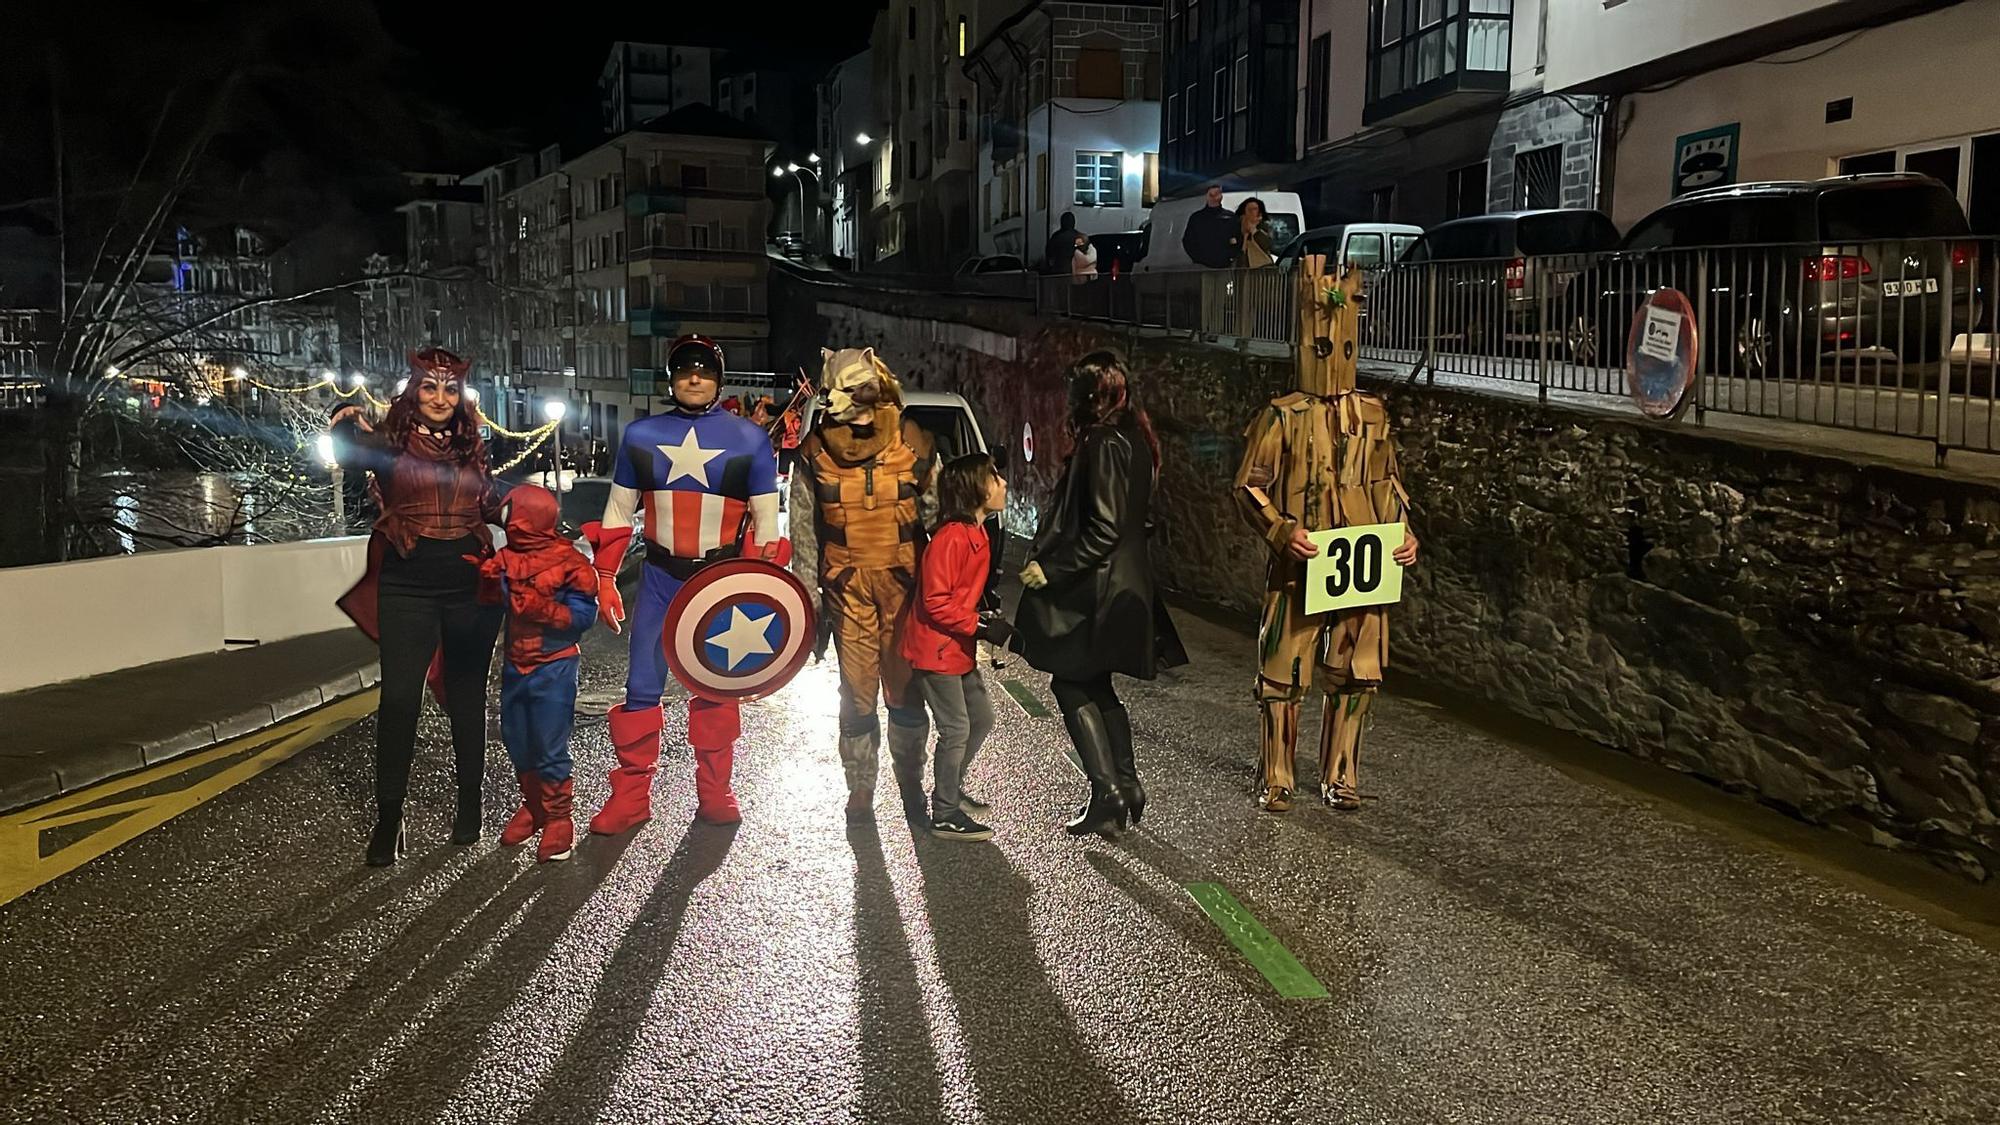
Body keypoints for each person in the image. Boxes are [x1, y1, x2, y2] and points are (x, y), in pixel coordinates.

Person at [1233, 258, 1420, 814]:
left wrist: (1406, 534)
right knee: (1283, 673)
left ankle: (1341, 774)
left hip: (1363, 565)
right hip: (1302, 562)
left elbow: (1390, 483)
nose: (1335, 362)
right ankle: (1278, 775)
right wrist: (1281, 529)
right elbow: (1249, 487)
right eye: (1322, 349)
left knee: (1358, 674)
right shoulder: (1280, 417)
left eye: (1342, 349)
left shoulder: (1373, 414)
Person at [582, 334, 789, 831]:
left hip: (719, 582)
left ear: (718, 376)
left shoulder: (749, 439)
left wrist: (766, 596)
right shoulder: (641, 435)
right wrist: (605, 577)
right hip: (658, 577)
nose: (694, 377)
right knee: (641, 687)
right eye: (684, 368)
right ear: (671, 376)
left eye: (704, 368)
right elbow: (616, 513)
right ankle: (632, 795)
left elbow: (767, 527)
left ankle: (715, 790)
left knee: (717, 687)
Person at [333, 347, 505, 866]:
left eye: (449, 389)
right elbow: (346, 453)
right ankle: (390, 818)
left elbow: (490, 503)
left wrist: (542, 524)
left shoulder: (471, 443)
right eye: (429, 388)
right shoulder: (388, 440)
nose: (439, 398)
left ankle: (470, 804)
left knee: (468, 698)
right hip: (406, 583)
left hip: (468, 582)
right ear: (413, 390)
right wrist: (341, 421)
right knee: (400, 701)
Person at [1017, 351, 1187, 837]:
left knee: (1069, 683)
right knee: (1095, 683)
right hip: (1124, 582)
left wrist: (1051, 570)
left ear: (1090, 397)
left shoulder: (1103, 442)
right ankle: (1125, 785)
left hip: (1099, 589)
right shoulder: (1136, 439)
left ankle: (1107, 790)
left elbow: (1104, 527)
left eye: (1074, 390)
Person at [794, 347, 935, 821]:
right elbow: (805, 528)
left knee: (905, 690)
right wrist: (808, 598)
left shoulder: (912, 443)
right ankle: (861, 793)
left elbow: (939, 522)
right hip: (846, 589)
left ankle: (911, 785)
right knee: (857, 696)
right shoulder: (814, 453)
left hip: (905, 589)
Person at [482, 485, 598, 862]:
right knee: (517, 738)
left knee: (549, 744)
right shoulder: (508, 557)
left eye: (512, 513)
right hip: (517, 662)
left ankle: (559, 820)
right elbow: (494, 601)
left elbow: (583, 618)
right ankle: (535, 807)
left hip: (554, 665)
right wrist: (487, 582)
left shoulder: (571, 564)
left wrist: (541, 610)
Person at [901, 453, 1014, 842]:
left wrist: (982, 622)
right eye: (994, 477)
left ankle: (949, 790)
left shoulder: (978, 534)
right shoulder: (951, 538)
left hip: (956, 648)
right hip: (936, 649)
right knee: (957, 728)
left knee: (980, 719)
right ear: (975, 489)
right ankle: (945, 813)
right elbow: (935, 602)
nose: (1002, 484)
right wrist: (981, 626)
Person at [1181, 185, 1240, 269]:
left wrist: (1230, 257)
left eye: (1216, 194)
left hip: (1225, 265)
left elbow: (1238, 238)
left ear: (1221, 196)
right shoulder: (1196, 218)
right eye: (1211, 194)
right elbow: (1188, 241)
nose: (1214, 197)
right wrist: (1198, 259)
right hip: (1202, 266)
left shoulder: (1230, 217)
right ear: (1206, 196)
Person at [1235, 197, 1276, 269]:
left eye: (1254, 209)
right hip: (1244, 269)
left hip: (1263, 268)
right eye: (1249, 209)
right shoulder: (1237, 227)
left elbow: (1267, 244)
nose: (1251, 212)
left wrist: (1253, 230)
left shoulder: (1264, 226)